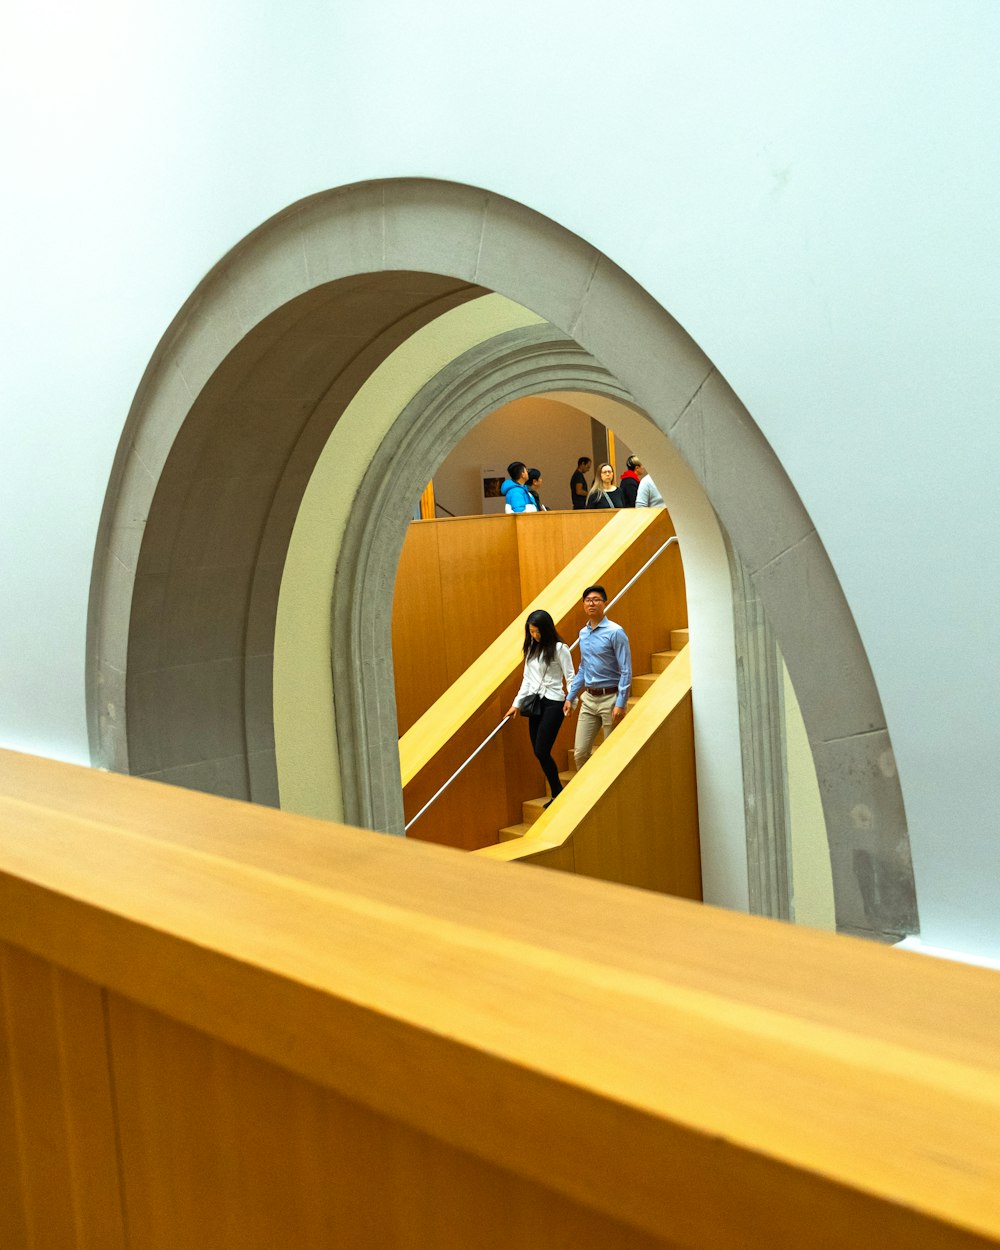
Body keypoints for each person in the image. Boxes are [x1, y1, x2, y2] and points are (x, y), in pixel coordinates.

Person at [505, 609, 575, 805]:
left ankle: (557, 793)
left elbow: (570, 677)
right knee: (538, 750)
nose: (534, 635)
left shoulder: (560, 648)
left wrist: (572, 700)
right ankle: (557, 792)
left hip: (554, 702)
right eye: (531, 632)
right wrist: (516, 704)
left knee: (542, 749)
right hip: (535, 703)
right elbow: (527, 681)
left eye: (537, 631)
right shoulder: (530, 649)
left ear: (546, 629)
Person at [564, 585, 632, 767]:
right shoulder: (583, 633)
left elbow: (626, 669)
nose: (591, 603)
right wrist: (570, 696)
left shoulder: (615, 631)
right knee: (580, 753)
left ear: (604, 603)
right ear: (583, 605)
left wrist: (621, 703)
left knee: (612, 754)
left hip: (610, 698)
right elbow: (583, 668)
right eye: (588, 600)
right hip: (588, 699)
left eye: (596, 600)